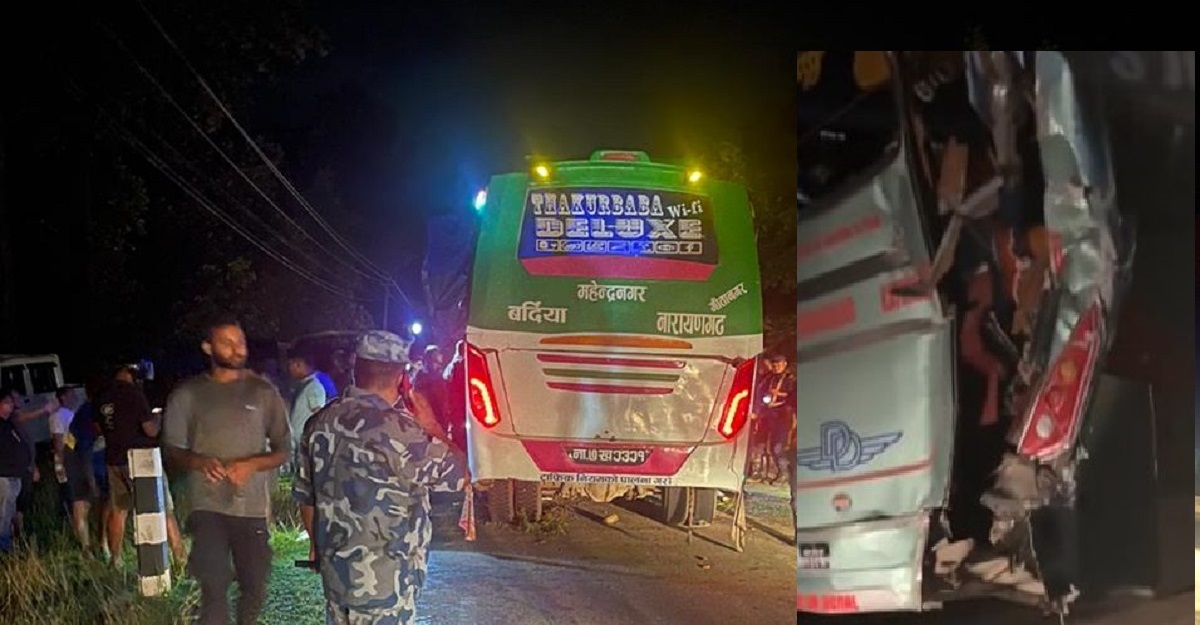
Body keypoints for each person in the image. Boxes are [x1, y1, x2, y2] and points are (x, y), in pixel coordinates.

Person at [294, 330, 466, 625]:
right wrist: (433, 427)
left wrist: (318, 547)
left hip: (337, 579)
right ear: (401, 378)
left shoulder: (319, 424)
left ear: (355, 368)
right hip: (387, 585)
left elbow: (306, 498)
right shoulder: (406, 433)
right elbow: (462, 474)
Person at [162, 316, 290, 625]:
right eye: (227, 343)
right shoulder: (188, 394)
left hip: (251, 507)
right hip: (207, 506)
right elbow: (172, 449)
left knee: (254, 585)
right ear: (208, 347)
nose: (237, 349)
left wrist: (252, 464)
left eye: (240, 342)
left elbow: (284, 449)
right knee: (214, 585)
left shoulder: (263, 392)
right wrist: (199, 462)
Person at [98, 366, 187, 568]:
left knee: (119, 511)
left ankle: (115, 559)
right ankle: (180, 558)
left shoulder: (103, 397)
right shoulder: (134, 394)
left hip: (114, 460)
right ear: (131, 376)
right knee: (163, 508)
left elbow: (97, 428)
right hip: (141, 460)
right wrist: (158, 417)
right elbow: (150, 430)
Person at [3, 387, 58, 542]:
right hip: (15, 470)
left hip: (25, 466)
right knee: (13, 506)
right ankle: (12, 538)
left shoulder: (15, 419)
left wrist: (33, 465)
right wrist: (44, 410)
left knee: (22, 504)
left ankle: (18, 536)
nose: (16, 401)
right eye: (12, 399)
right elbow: (22, 418)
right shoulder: (10, 420)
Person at [0, 388, 33, 553]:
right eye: (7, 402)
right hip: (6, 476)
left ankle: (10, 544)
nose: (11, 405)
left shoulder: (8, 423)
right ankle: (4, 547)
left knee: (11, 512)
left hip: (15, 474)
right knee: (4, 514)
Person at [285, 350, 326, 468]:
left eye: (291, 365)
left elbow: (318, 415)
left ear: (299, 364)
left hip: (304, 445)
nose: (289, 369)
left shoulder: (314, 387)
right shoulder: (302, 385)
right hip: (297, 444)